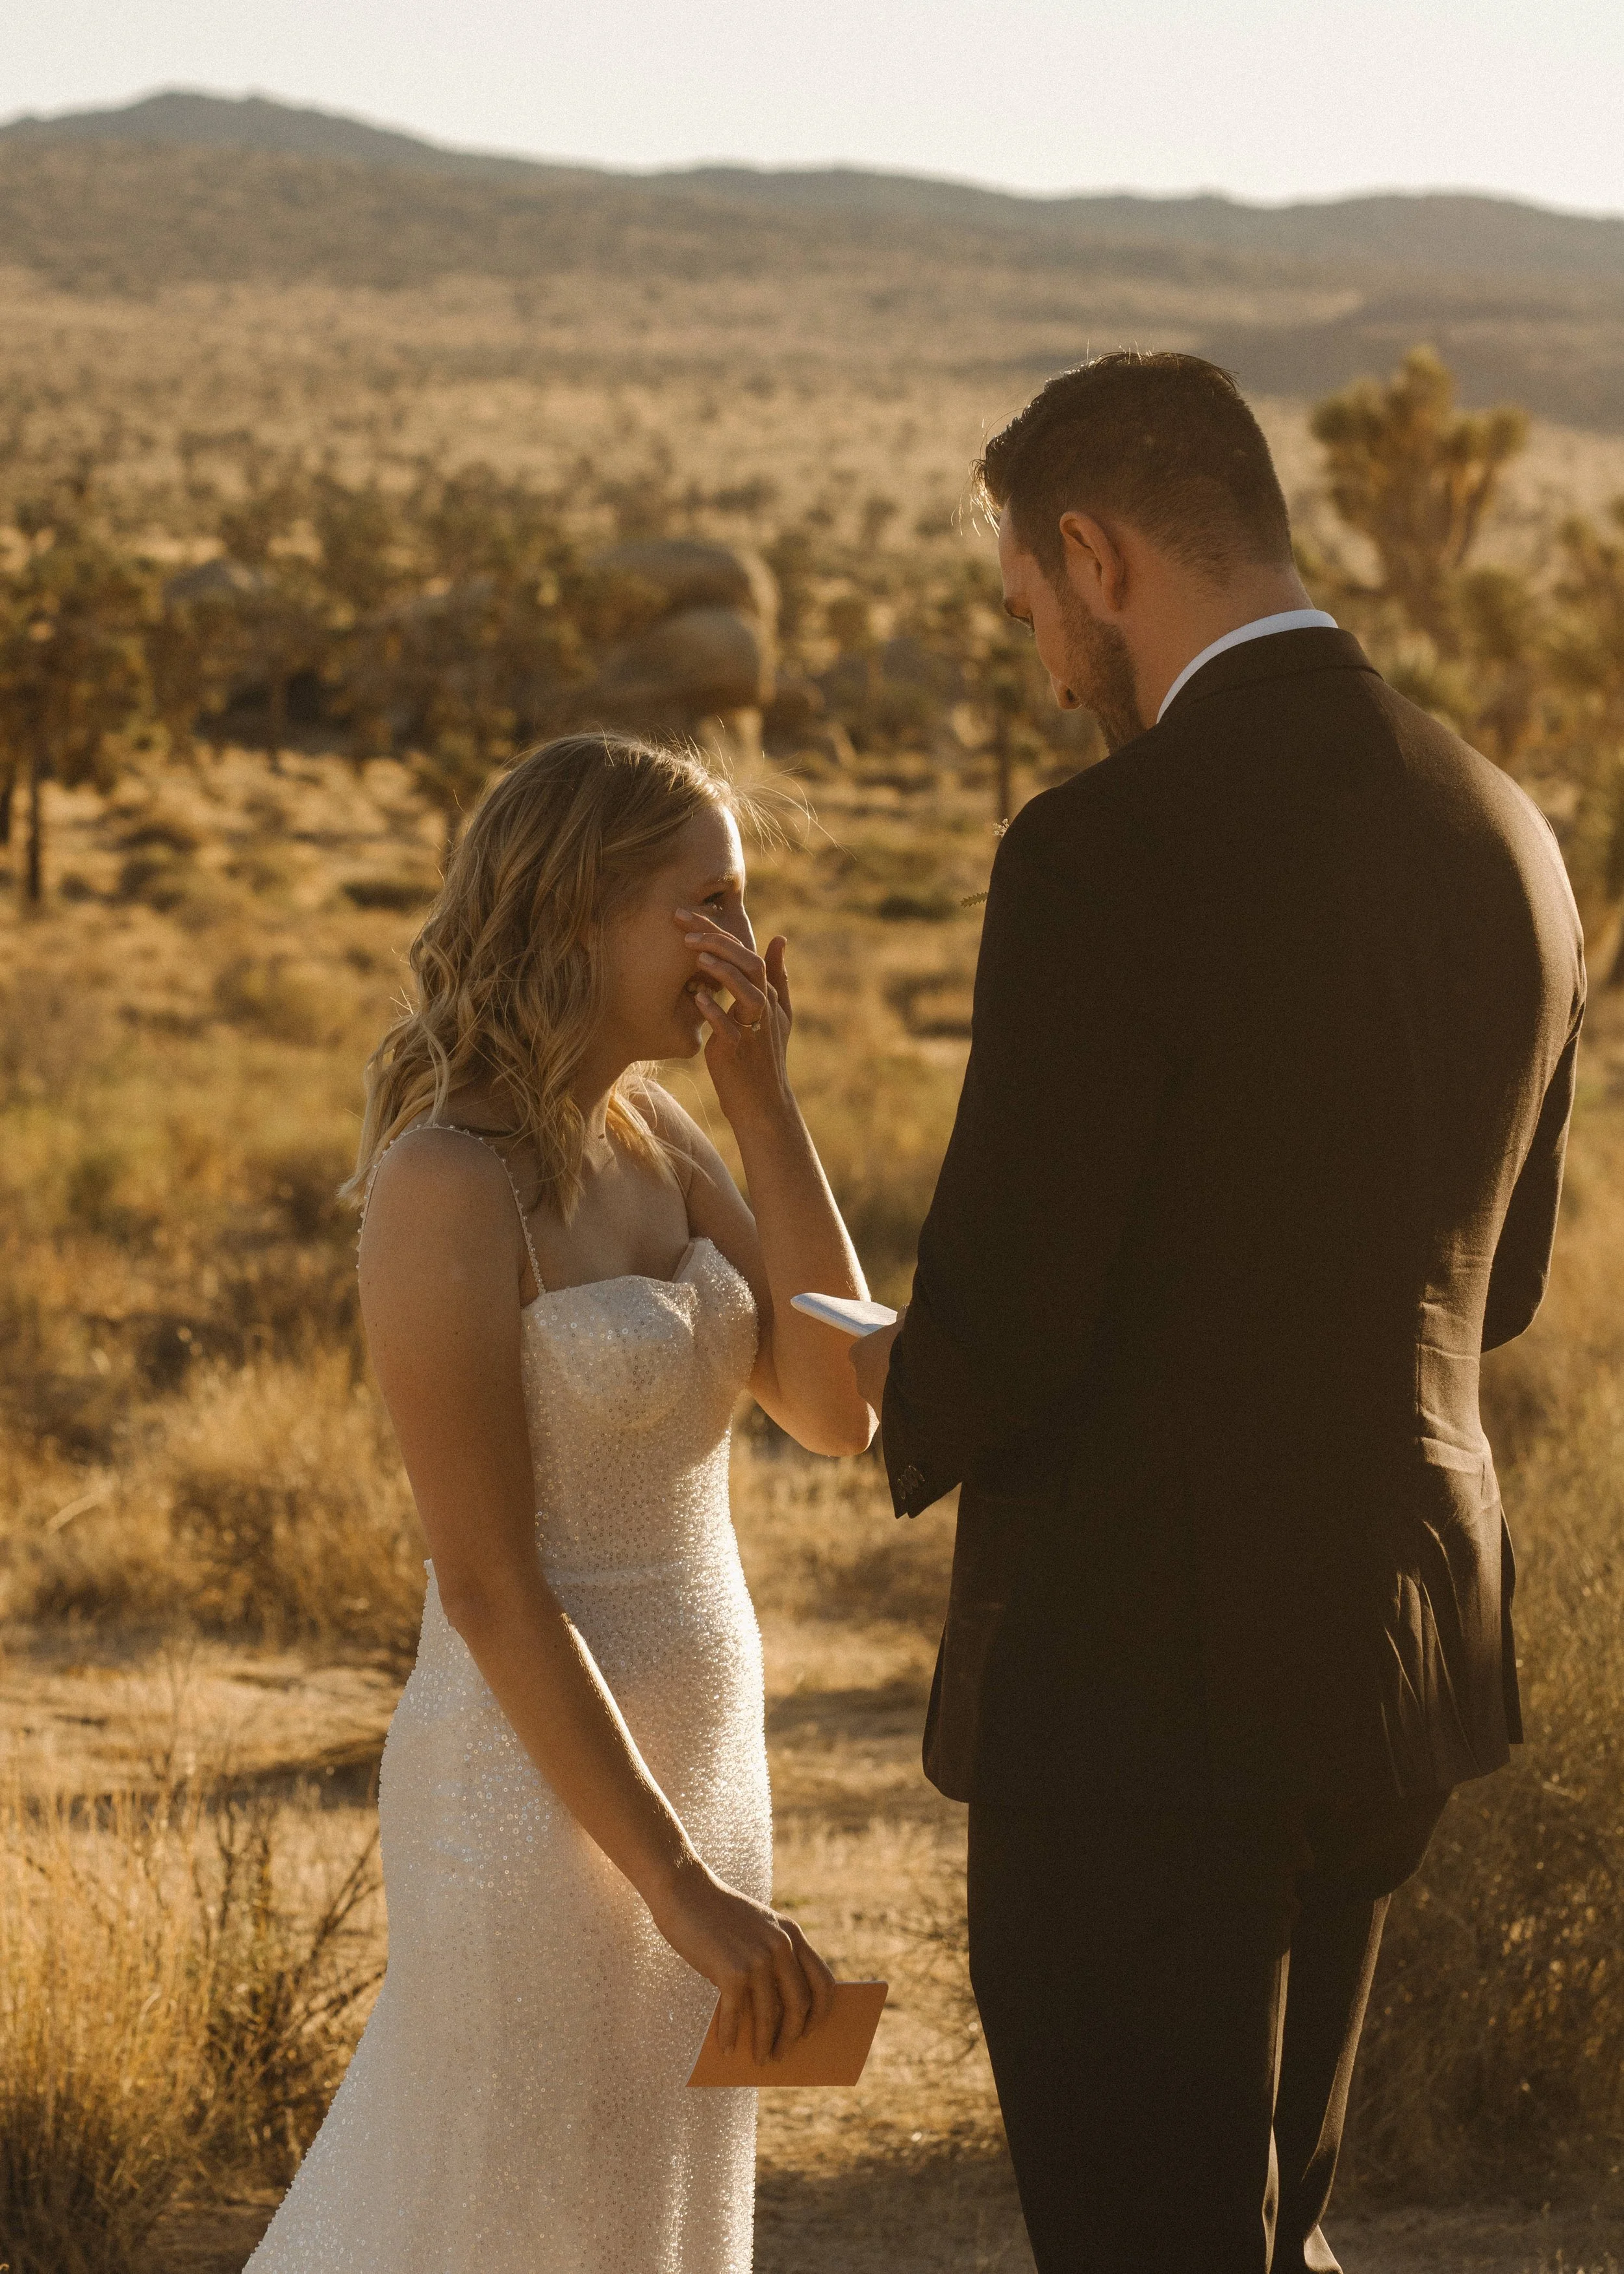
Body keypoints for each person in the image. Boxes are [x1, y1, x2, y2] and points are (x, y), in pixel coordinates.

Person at [850, 351, 1585, 2273]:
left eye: (1029, 611)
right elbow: (1495, 1278)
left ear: (1092, 553)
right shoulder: (1506, 829)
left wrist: (876, 1391)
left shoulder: (1100, 852)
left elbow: (995, 1330)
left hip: (1141, 1697)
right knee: (1266, 2231)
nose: (1041, 667)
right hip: (1398, 1660)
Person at [247, 733, 874, 2274]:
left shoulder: (658, 1135)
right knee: (497, 2203)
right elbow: (486, 1583)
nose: (738, 940)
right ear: (578, 911)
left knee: (641, 2209)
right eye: (704, 900)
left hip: (710, 1760)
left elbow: (844, 1401)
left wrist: (765, 1105)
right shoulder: (445, 1186)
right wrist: (673, 1885)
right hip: (528, 1800)